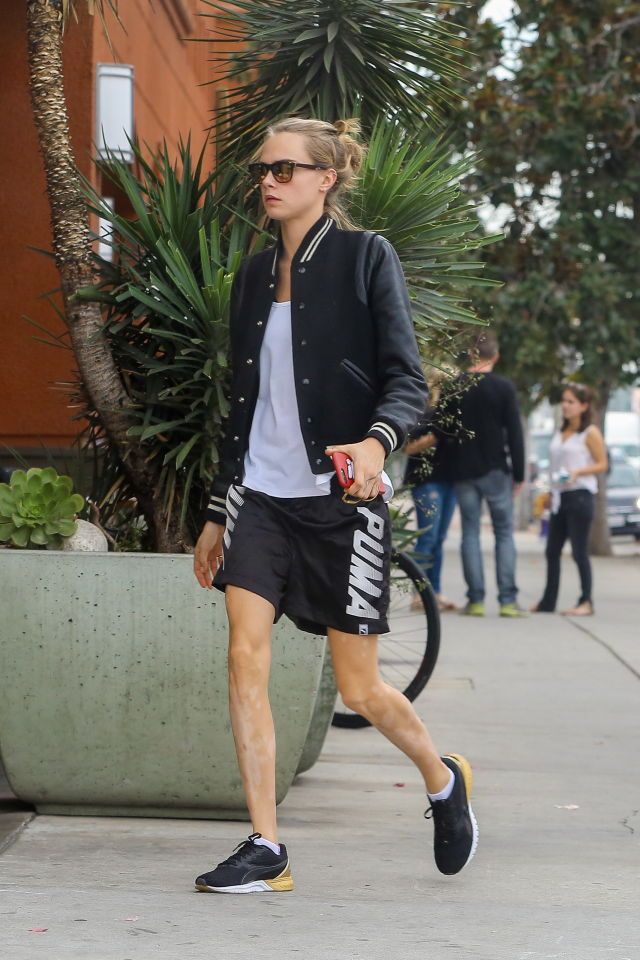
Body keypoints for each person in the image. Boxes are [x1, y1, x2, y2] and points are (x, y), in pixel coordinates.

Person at [191, 117, 478, 894]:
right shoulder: (253, 276)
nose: (269, 180)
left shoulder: (363, 257)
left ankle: (442, 777)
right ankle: (266, 845)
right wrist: (220, 511)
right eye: (263, 169)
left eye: (286, 168)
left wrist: (379, 443)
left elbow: (407, 379)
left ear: (326, 179)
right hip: (262, 500)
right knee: (243, 656)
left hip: (340, 501)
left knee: (359, 690)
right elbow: (241, 403)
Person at [441, 331, 526, 617]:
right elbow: (514, 432)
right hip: (495, 470)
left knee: (470, 533)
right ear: (496, 356)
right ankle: (507, 600)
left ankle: (475, 600)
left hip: (464, 471)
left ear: (472, 355)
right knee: (503, 533)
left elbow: (445, 430)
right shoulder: (504, 388)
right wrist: (520, 472)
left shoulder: (456, 385)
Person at [531, 384, 608, 616]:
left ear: (583, 406)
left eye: (571, 402)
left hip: (580, 495)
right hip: (559, 496)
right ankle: (548, 601)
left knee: (578, 551)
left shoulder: (590, 433)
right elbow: (555, 466)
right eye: (564, 401)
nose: (565, 406)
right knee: (552, 550)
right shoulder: (560, 431)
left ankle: (586, 601)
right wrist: (549, 492)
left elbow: (602, 463)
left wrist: (578, 472)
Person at [404, 398, 458, 612]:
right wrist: (437, 435)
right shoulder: (422, 413)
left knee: (440, 538)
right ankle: (419, 594)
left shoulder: (453, 416)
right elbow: (408, 448)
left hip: (450, 480)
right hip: (426, 482)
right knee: (428, 536)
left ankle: (434, 591)